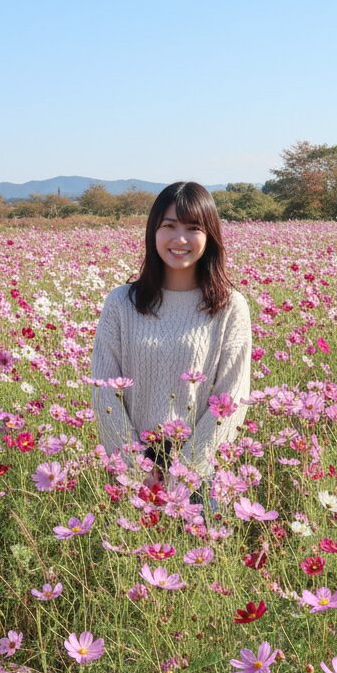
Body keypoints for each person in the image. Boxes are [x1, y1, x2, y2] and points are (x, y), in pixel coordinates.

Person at [90, 181, 252, 502]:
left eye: (193, 228)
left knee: (199, 552)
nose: (180, 239)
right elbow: (104, 390)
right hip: (135, 467)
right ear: (154, 232)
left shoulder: (230, 306)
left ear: (210, 236)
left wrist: (187, 471)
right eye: (169, 226)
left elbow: (231, 399)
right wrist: (136, 467)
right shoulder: (122, 302)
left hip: (202, 471)